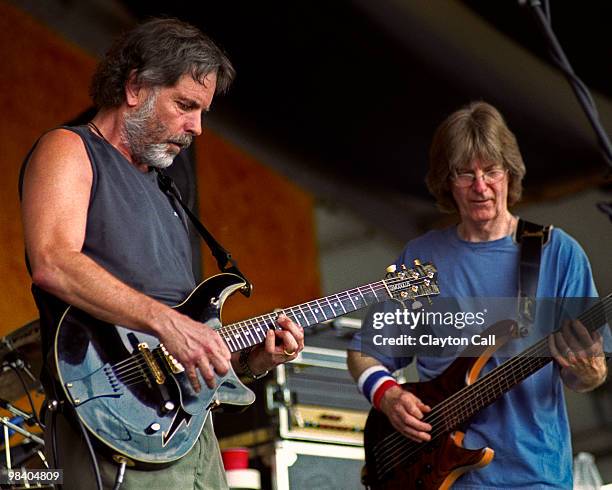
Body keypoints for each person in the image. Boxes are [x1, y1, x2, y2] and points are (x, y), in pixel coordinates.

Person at [20, 18, 304, 490]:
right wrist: (169, 324)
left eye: (203, 110)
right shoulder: (70, 149)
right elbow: (53, 261)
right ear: (135, 87)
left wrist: (252, 361)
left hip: (190, 436)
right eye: (186, 105)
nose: (197, 127)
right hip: (112, 424)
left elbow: (182, 345)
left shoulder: (169, 192)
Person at [347, 101, 608, 489]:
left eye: (491, 171)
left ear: (510, 173)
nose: (480, 186)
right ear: (446, 181)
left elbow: (588, 371)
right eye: (465, 174)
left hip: (537, 475)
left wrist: (590, 371)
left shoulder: (558, 252)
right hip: (444, 478)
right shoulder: (422, 259)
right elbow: (365, 352)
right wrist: (387, 397)